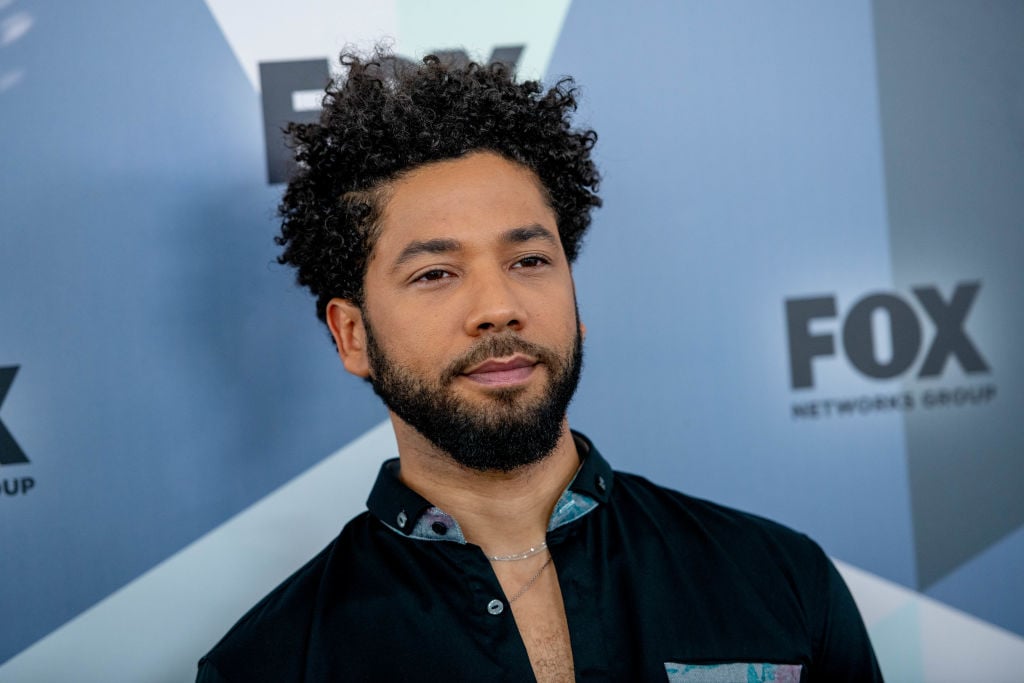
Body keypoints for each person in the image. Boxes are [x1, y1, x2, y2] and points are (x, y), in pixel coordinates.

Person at [197, 50, 882, 682]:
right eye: (436, 272)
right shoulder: (269, 665)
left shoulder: (781, 581)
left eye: (529, 261)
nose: (498, 307)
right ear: (353, 336)